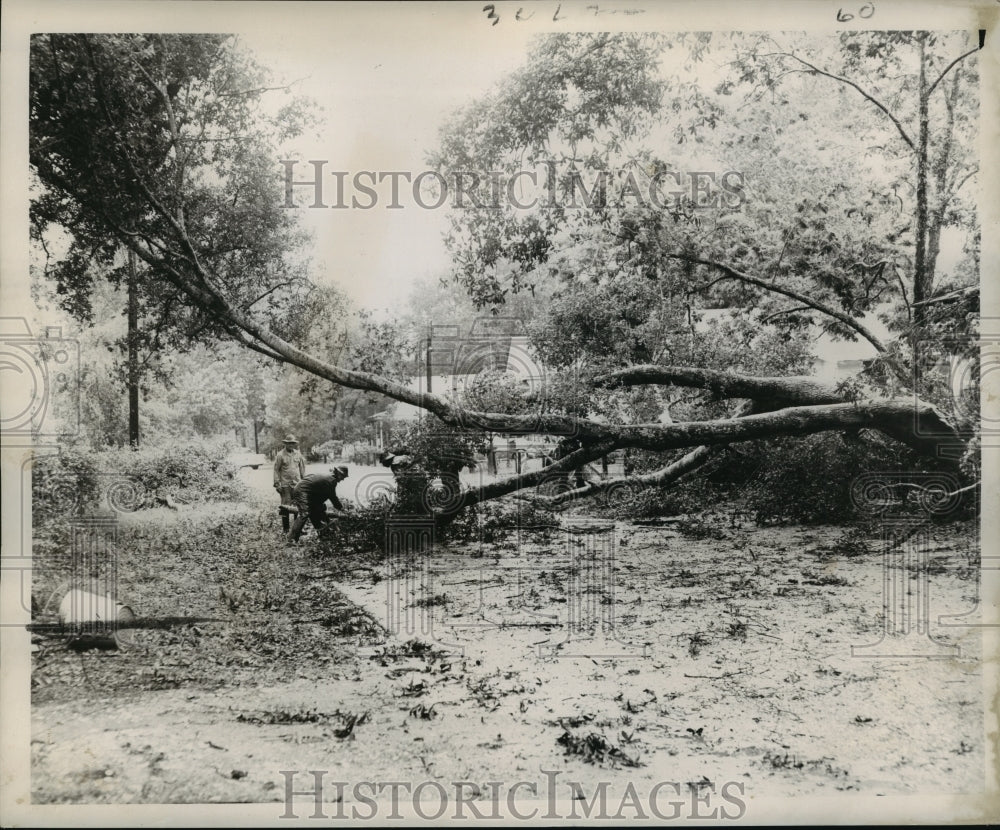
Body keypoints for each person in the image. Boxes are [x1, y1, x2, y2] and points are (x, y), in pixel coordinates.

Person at [288, 465, 350, 543]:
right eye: (343, 476)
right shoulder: (331, 481)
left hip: (307, 492)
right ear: (338, 473)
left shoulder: (329, 478)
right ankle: (291, 540)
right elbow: (333, 497)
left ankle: (324, 535)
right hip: (302, 491)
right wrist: (341, 508)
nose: (343, 479)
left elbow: (322, 495)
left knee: (316, 510)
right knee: (304, 513)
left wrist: (320, 507)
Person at [273, 434, 306, 532]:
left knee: (298, 505)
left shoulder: (298, 454)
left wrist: (304, 482)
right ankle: (286, 529)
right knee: (285, 506)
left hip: (297, 484)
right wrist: (277, 483)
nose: (291, 445)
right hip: (285, 485)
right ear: (285, 444)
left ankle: (297, 528)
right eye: (289, 443)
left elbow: (302, 469)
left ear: (294, 444)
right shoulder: (280, 455)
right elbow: (276, 470)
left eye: (292, 443)